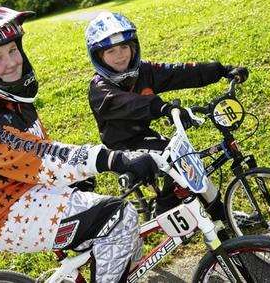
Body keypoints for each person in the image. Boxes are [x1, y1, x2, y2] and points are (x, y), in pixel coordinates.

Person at [0, 4, 159, 283]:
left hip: (31, 189)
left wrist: (74, 178)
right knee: (118, 216)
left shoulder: (12, 98)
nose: (12, 62)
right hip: (4, 214)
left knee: (114, 231)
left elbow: (39, 150)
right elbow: (41, 155)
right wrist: (112, 159)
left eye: (12, 50)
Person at [85, 12, 248, 218]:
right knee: (174, 159)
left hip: (146, 136)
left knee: (187, 157)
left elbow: (179, 72)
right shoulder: (99, 88)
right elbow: (131, 104)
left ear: (133, 47)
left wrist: (222, 70)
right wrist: (163, 108)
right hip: (122, 148)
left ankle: (219, 214)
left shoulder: (143, 70)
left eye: (124, 47)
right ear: (98, 57)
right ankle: (166, 209)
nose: (120, 55)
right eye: (111, 51)